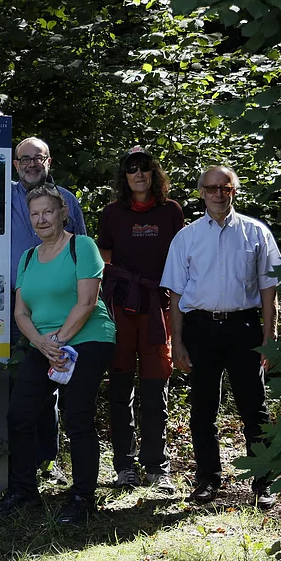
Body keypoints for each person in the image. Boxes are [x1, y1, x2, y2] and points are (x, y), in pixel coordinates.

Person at [0, 185, 115, 524]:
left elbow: (87, 303)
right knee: (19, 415)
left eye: (48, 211)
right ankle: (24, 491)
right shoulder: (28, 258)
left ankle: (82, 497)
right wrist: (43, 344)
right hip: (44, 345)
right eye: (35, 214)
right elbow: (20, 313)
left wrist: (58, 340)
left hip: (88, 339)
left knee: (77, 416)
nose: (41, 219)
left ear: (63, 213)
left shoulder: (82, 246)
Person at [160, 166, 281, 509]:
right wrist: (177, 341)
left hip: (245, 328)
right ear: (200, 192)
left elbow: (270, 289)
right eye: (211, 188)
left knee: (254, 407)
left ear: (234, 191)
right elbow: (175, 295)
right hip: (200, 329)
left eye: (224, 188)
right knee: (202, 409)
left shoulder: (256, 232)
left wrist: (270, 334)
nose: (217, 194)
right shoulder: (186, 237)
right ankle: (207, 481)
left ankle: (263, 482)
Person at [97, 147, 184, 493]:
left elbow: (182, 260)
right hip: (121, 309)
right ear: (124, 176)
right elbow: (103, 264)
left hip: (158, 310)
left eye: (145, 168)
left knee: (155, 389)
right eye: (131, 169)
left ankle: (156, 467)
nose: (138, 174)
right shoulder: (111, 213)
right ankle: (123, 466)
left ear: (153, 173)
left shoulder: (171, 211)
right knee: (120, 390)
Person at [9, 137, 87, 486]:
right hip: (14, 305)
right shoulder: (3, 196)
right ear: (14, 164)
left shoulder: (67, 201)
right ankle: (19, 463)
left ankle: (47, 462)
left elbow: (82, 255)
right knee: (18, 383)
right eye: (23, 159)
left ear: (49, 161)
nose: (29, 164)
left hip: (57, 308)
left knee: (51, 386)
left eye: (36, 158)